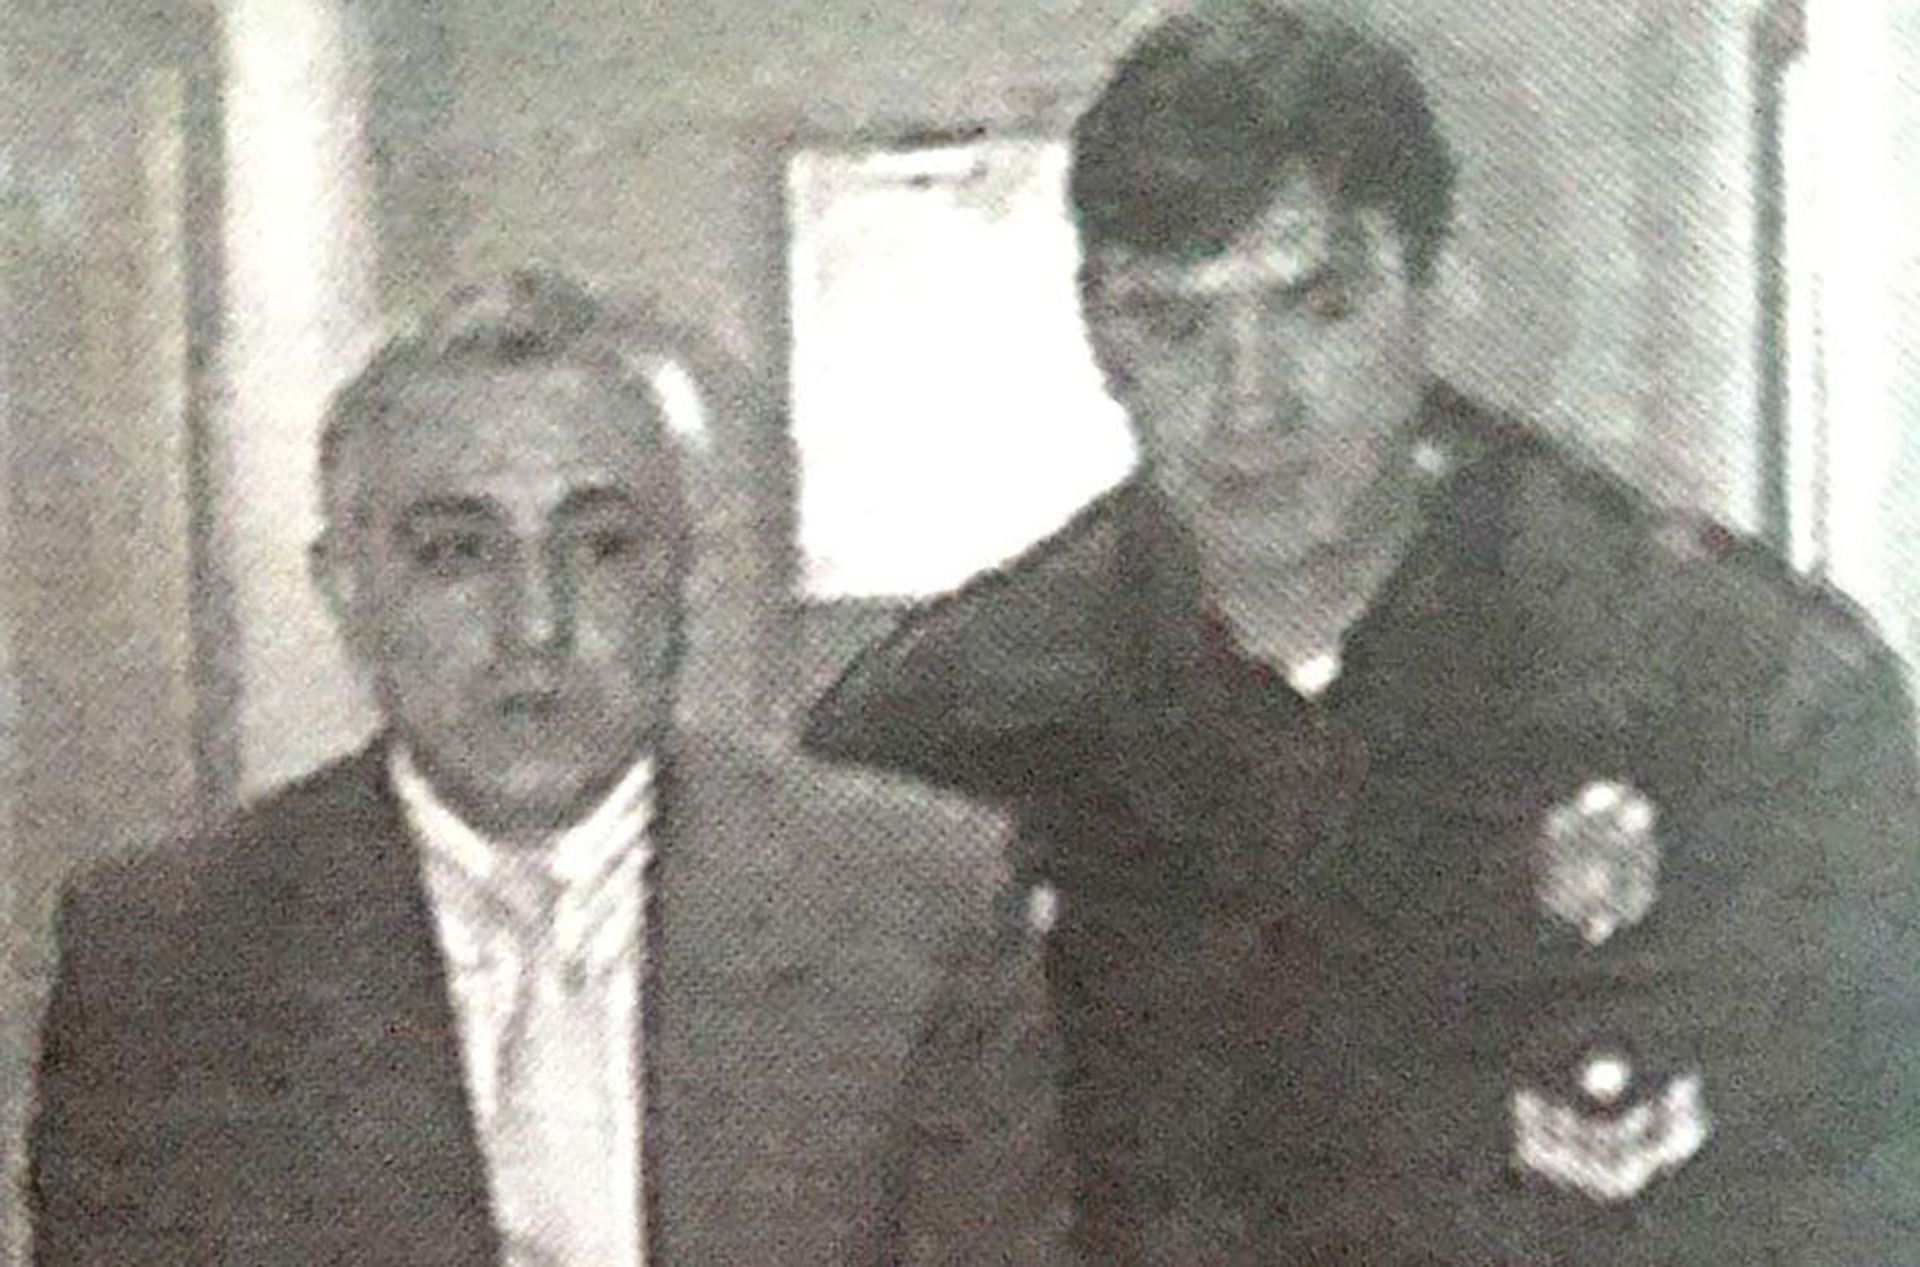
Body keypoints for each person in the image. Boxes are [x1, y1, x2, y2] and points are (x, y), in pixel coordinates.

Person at [802, 3, 1920, 1261]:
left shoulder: (1736, 697)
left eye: (1316, 309)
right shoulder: (945, 747)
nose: (1251, 403)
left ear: (1439, 289)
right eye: (1176, 325)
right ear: (1099, 333)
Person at [29, 269, 1000, 1265]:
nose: (535, 625)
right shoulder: (169, 962)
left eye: (603, 547)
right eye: (456, 553)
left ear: (685, 574)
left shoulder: (915, 908)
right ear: (347, 589)